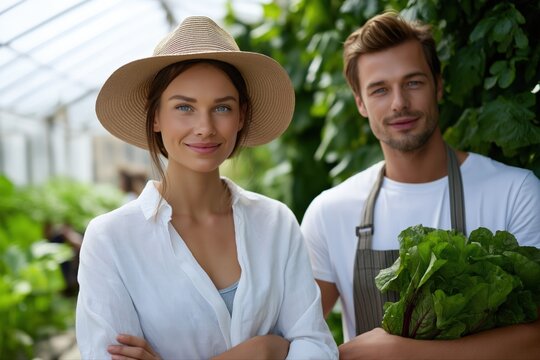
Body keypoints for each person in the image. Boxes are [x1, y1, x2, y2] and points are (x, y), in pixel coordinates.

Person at [76, 16, 338, 360]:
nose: (205, 127)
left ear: (241, 116)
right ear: (155, 116)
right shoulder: (110, 240)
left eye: (222, 107)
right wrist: (265, 350)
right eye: (184, 107)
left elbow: (317, 347)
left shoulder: (275, 222)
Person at [300, 11, 540, 359]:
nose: (399, 103)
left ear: (438, 85)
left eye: (413, 82)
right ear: (360, 103)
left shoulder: (515, 193)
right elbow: (298, 334)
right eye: (380, 89)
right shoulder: (330, 212)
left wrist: (403, 351)